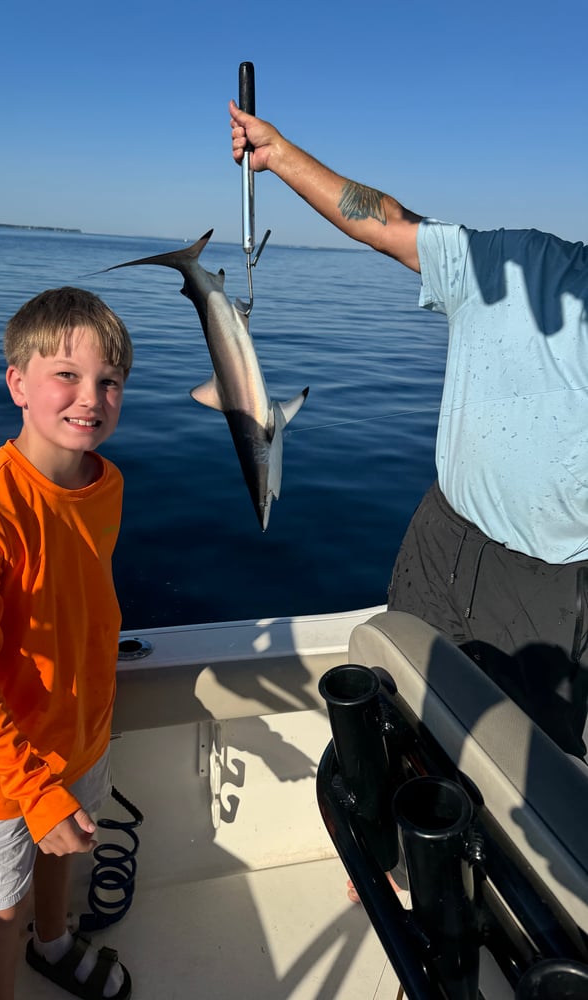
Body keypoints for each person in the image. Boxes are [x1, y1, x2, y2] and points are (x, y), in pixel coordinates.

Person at [230, 100, 588, 762]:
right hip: (442, 533)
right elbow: (385, 222)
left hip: (554, 580)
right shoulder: (513, 260)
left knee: (519, 770)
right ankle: (390, 862)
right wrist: (277, 154)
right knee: (397, 715)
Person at [0, 287, 133, 1000]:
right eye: (66, 375)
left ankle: (54, 943)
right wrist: (33, 790)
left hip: (80, 734)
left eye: (109, 381)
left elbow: (79, 599)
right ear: (17, 383)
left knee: (62, 856)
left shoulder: (108, 484)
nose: (91, 397)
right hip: (2, 766)